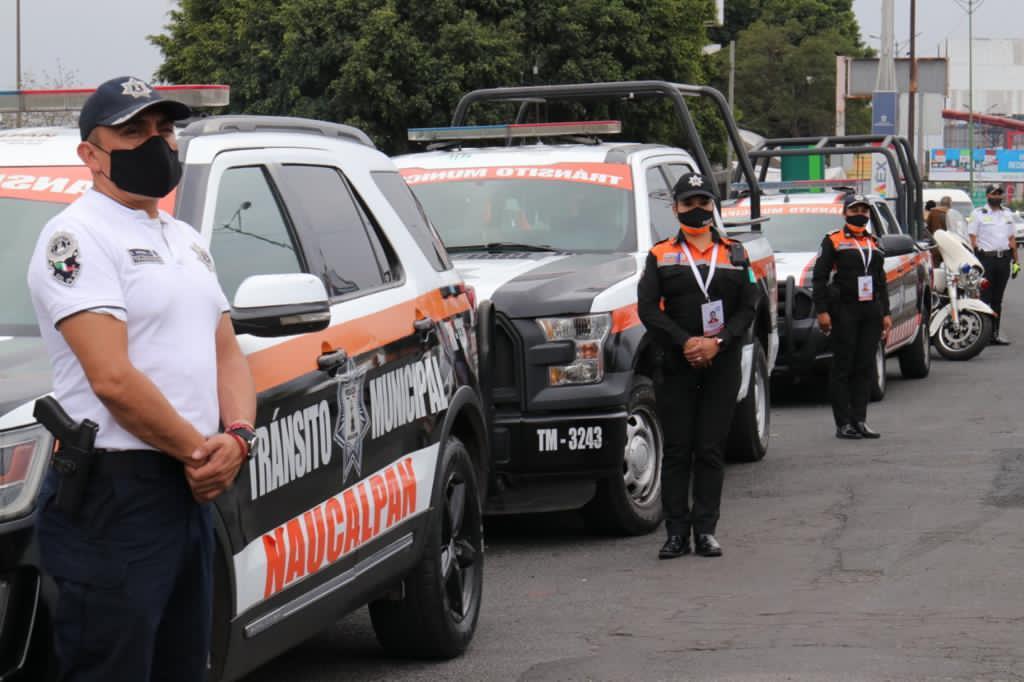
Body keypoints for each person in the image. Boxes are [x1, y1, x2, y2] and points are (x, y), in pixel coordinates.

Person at [26, 76, 257, 681]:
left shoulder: (185, 241)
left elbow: (226, 355)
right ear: (90, 155)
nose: (156, 141)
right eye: (133, 130)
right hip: (116, 493)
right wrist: (202, 452)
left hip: (188, 488)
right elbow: (112, 380)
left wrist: (236, 436)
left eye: (164, 129)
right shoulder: (76, 238)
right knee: (113, 668)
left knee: (184, 665)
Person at [637, 171, 759, 560]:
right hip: (676, 363)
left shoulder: (737, 253)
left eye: (704, 202)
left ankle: (706, 531)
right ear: (675, 208)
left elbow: (749, 306)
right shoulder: (659, 255)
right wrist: (686, 341)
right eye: (689, 203)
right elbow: (647, 310)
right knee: (677, 450)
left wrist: (718, 343)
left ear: (714, 206)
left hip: (721, 363)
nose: (697, 209)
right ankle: (676, 533)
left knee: (709, 449)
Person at [813, 194, 892, 440]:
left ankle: (860, 419)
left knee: (865, 365)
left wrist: (886, 313)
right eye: (855, 209)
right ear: (845, 213)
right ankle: (843, 423)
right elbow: (819, 277)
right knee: (843, 366)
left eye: (864, 210)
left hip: (870, 310)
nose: (861, 213)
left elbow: (880, 280)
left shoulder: (874, 243)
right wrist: (822, 310)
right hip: (844, 309)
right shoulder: (833, 240)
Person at [968, 184, 1018, 345]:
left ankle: (994, 334)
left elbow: (1011, 239)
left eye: (999, 194)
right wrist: (974, 260)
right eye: (994, 194)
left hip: (1003, 259)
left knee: (997, 299)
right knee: (984, 298)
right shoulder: (978, 214)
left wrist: (1016, 261)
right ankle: (982, 333)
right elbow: (972, 238)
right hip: (986, 260)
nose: (997, 197)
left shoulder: (1007, 214)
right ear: (988, 196)